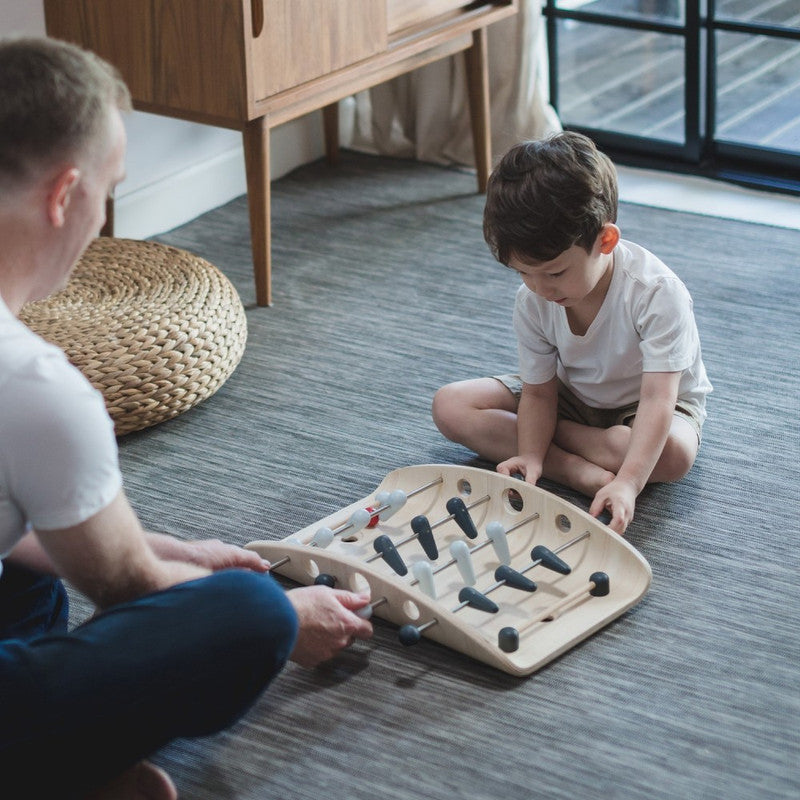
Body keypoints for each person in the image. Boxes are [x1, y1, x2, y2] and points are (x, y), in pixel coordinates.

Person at [0, 36, 373, 799]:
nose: (106, 214)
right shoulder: (34, 387)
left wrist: (179, 549)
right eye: (110, 189)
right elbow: (128, 586)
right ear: (65, 195)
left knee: (32, 585)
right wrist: (289, 616)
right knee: (247, 612)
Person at [432, 132, 711, 535]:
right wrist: (529, 453)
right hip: (569, 394)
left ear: (606, 240)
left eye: (554, 273)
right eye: (523, 273)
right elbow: (540, 392)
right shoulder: (533, 299)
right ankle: (574, 471)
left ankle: (561, 445)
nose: (539, 288)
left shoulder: (656, 293)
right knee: (450, 405)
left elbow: (658, 398)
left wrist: (630, 483)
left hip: (646, 402)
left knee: (675, 455)